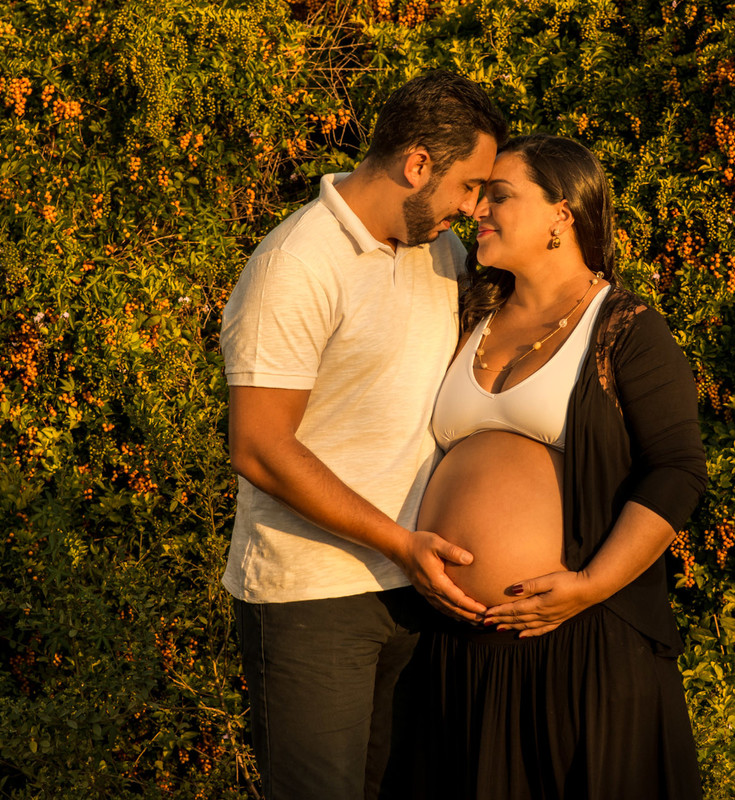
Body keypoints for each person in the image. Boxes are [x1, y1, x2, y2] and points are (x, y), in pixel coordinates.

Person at [219, 71, 506, 800]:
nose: (473, 210)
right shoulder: (297, 264)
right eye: (469, 187)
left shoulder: (438, 252)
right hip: (312, 599)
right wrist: (397, 540)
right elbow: (259, 445)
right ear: (417, 165)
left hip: (414, 589)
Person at [414, 134, 708, 799]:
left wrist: (591, 583)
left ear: (562, 214)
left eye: (501, 196)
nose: (478, 211)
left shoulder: (625, 328)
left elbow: (677, 470)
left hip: (580, 641)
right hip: (461, 652)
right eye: (479, 196)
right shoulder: (466, 314)